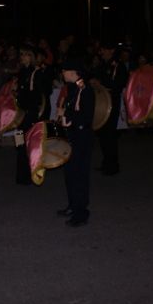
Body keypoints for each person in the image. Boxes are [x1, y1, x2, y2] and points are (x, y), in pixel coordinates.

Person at [56, 58, 95, 227]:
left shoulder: (85, 90)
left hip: (81, 137)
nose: (62, 73)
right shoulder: (72, 89)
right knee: (70, 174)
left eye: (64, 70)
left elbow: (86, 117)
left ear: (73, 72)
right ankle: (73, 205)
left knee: (79, 176)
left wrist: (67, 116)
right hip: (72, 136)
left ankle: (81, 213)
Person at [91, 40, 128, 175]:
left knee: (110, 135)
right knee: (102, 134)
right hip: (101, 102)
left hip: (111, 103)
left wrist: (101, 82)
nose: (102, 52)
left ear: (111, 50)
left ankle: (113, 165)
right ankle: (106, 162)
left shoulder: (118, 65)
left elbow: (118, 84)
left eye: (105, 49)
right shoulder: (102, 64)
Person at [14, 45, 45, 184]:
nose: (22, 57)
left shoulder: (36, 72)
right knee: (20, 142)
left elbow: (37, 95)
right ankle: (22, 174)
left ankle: (31, 173)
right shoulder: (22, 72)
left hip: (30, 112)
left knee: (30, 143)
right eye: (21, 54)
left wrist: (23, 93)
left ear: (30, 56)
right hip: (21, 112)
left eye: (25, 54)